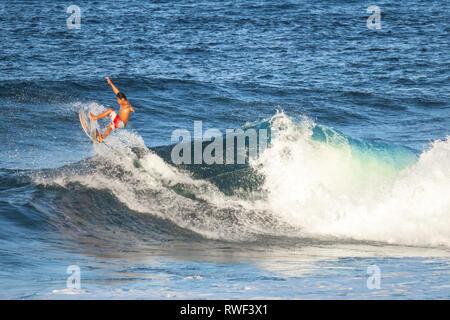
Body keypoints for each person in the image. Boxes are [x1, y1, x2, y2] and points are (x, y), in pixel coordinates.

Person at [89, 77, 135, 142]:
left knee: (110, 111)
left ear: (122, 99)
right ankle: (102, 138)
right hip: (121, 124)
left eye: (118, 100)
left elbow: (127, 105)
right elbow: (117, 92)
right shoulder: (123, 101)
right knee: (109, 127)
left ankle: (95, 118)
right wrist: (111, 83)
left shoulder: (126, 104)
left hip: (120, 123)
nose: (117, 101)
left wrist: (130, 108)